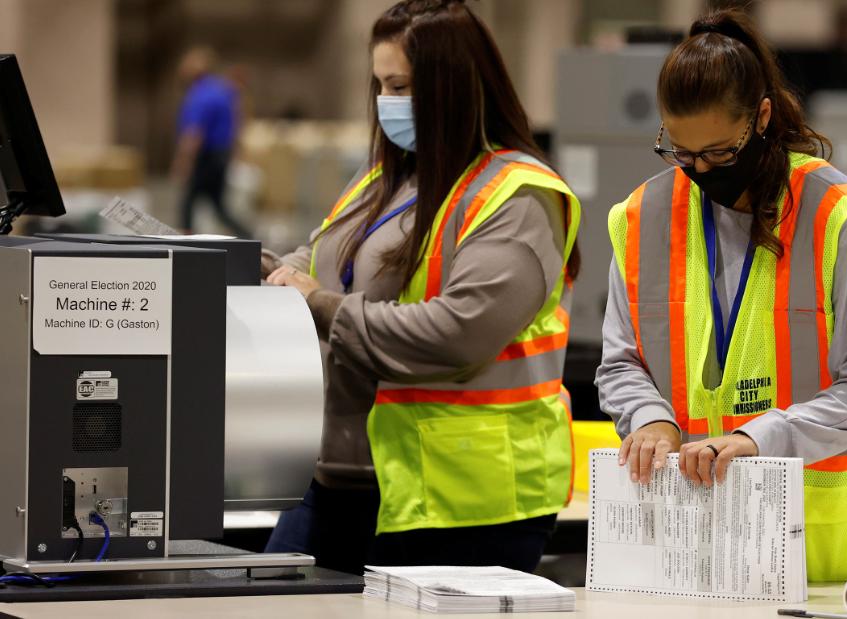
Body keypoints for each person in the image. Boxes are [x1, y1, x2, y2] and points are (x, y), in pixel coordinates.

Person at [263, 0, 581, 574]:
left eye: (401, 85)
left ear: (453, 87)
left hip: (460, 505)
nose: (387, 101)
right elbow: (323, 255)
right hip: (341, 476)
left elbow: (455, 334)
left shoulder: (516, 197)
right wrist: (257, 268)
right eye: (381, 84)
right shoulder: (390, 176)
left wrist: (315, 303)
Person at [596, 8, 847, 582]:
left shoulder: (832, 216)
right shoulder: (643, 218)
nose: (699, 171)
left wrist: (759, 437)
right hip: (697, 537)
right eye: (681, 154)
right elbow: (621, 362)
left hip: (833, 550)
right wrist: (648, 418)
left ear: (761, 117)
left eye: (718, 152)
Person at [172, 46, 251, 237]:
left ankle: (185, 242)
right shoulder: (221, 90)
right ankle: (248, 237)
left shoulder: (201, 94)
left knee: (188, 204)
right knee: (218, 207)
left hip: (207, 157)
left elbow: (194, 132)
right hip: (220, 156)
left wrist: (184, 162)